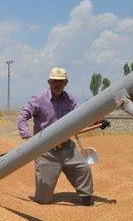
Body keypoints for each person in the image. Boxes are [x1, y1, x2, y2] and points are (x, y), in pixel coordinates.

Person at [16, 67, 94, 206]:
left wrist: (97, 120)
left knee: (83, 169)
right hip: (46, 151)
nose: (57, 84)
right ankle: (43, 199)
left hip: (67, 149)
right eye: (54, 81)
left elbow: (82, 115)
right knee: (43, 198)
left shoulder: (71, 100)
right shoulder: (39, 99)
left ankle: (86, 198)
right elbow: (22, 117)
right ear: (49, 82)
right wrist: (27, 136)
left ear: (66, 83)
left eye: (61, 81)